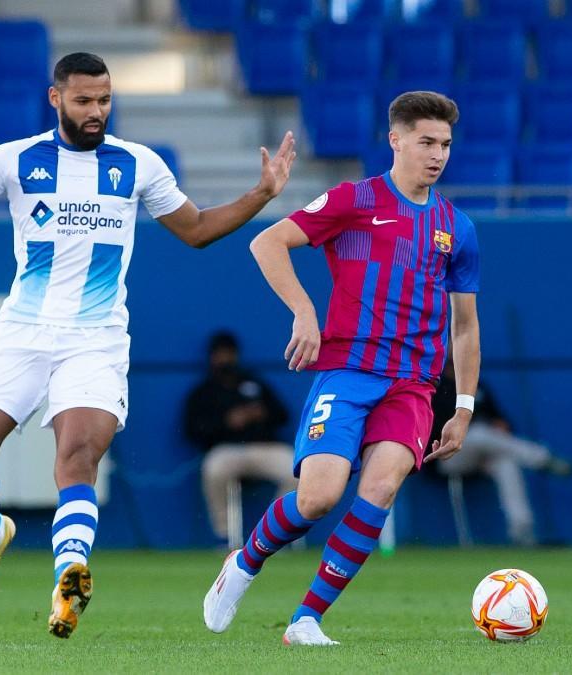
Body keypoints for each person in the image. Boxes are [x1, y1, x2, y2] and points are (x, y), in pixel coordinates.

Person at [0, 52, 296, 638]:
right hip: (22, 334)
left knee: (77, 454)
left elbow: (198, 230)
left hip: (97, 339)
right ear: (56, 99)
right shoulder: (16, 159)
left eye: (104, 100)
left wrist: (261, 194)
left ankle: (70, 575)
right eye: (84, 100)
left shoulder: (138, 164)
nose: (97, 111)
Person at [202, 90, 481, 646]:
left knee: (380, 487)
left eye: (445, 143)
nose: (437, 154)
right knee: (318, 497)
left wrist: (464, 405)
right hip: (350, 372)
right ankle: (245, 562)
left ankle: (306, 620)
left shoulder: (458, 228)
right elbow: (267, 241)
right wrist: (304, 310)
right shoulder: (354, 200)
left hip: (414, 386)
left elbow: (466, 326)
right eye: (426, 141)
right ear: (395, 140)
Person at [431, 361, 570, 545]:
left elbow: (501, 421)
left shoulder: (476, 385)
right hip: (446, 456)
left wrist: (501, 425)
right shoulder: (435, 387)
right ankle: (541, 457)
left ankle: (523, 534)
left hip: (485, 453)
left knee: (507, 464)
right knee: (479, 433)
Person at [184, 331, 297, 543]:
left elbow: (283, 415)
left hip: (265, 447)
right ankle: (225, 537)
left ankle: (275, 532)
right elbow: (192, 430)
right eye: (220, 354)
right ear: (212, 357)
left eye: (229, 353)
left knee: (297, 469)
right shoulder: (204, 391)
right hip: (227, 450)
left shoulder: (254, 383)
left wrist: (261, 413)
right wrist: (226, 422)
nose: (225, 359)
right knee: (213, 468)